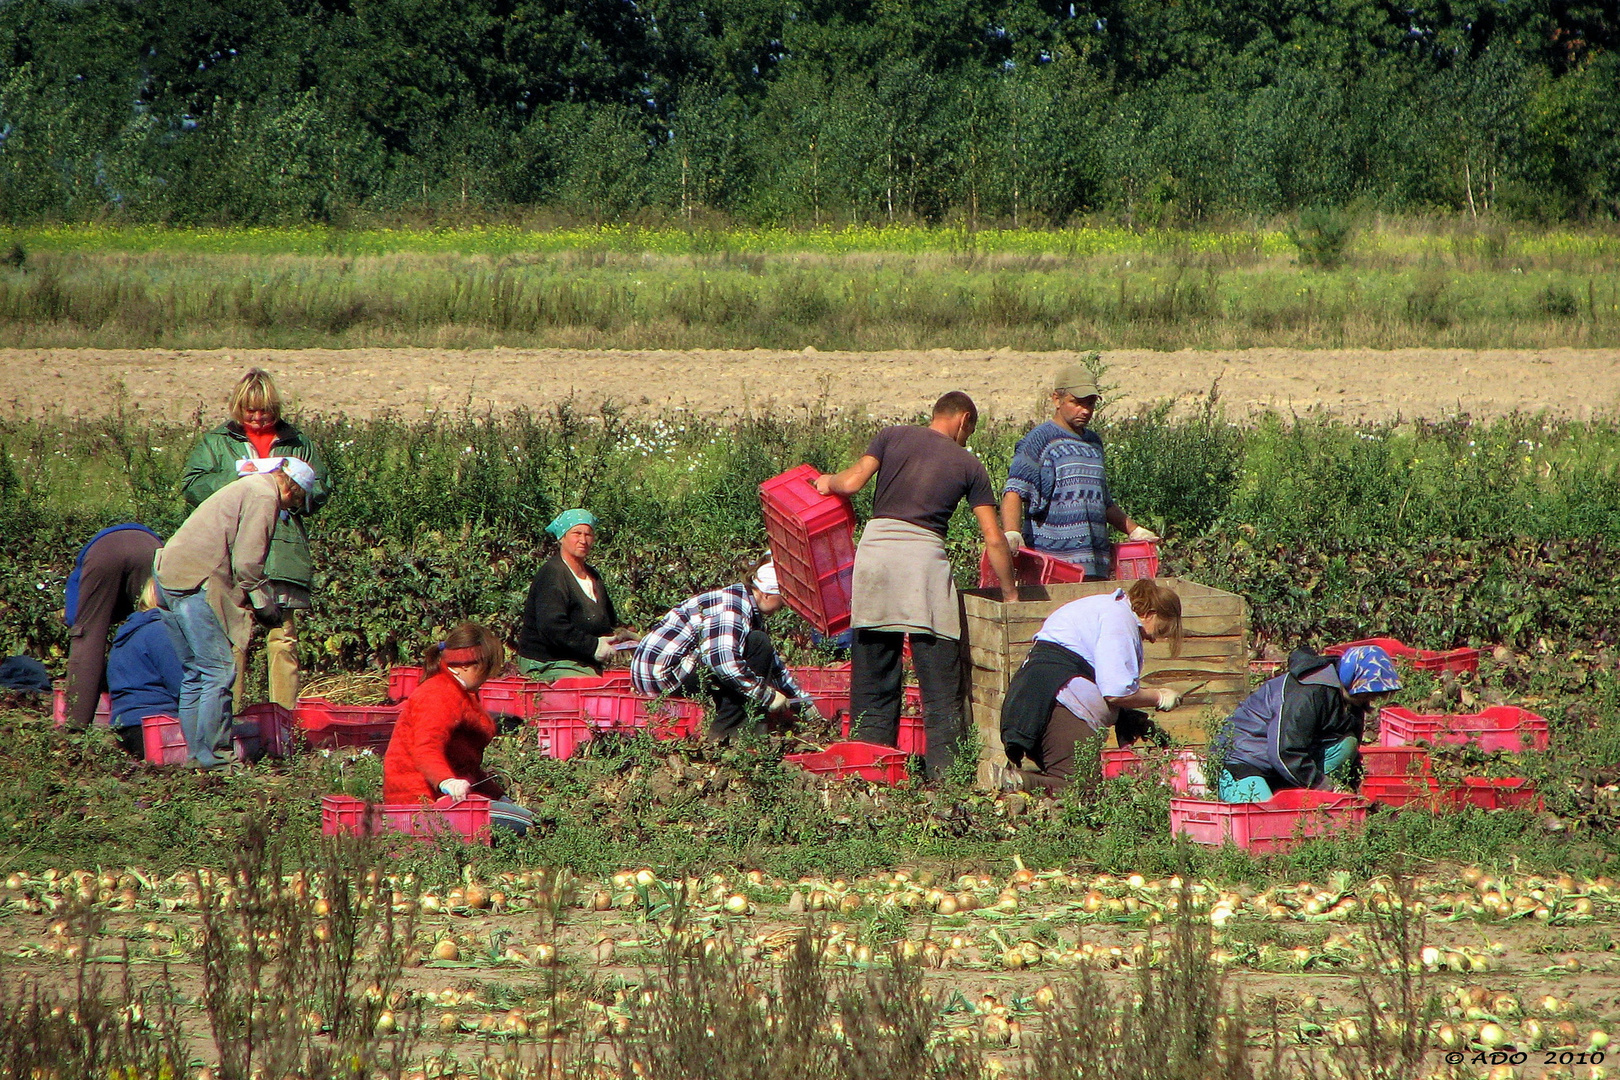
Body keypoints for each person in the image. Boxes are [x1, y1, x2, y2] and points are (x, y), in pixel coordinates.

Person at [813, 391, 1017, 780]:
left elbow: (852, 482)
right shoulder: (969, 464)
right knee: (940, 683)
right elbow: (994, 539)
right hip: (923, 565)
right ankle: (946, 778)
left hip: (874, 559)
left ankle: (868, 770)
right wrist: (1010, 594)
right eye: (969, 428)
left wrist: (826, 482)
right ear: (963, 420)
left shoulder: (891, 436)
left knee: (873, 674)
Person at [181, 368, 329, 709]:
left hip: (283, 551)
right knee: (235, 640)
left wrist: (295, 491)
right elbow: (192, 484)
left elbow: (320, 488)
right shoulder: (216, 442)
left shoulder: (299, 442)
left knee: (283, 640)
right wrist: (240, 484)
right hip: (231, 550)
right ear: (238, 407)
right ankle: (228, 721)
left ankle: (283, 721)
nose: (258, 417)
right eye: (251, 410)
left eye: (264, 410)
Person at [153, 460, 312, 769]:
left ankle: (196, 757)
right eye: (297, 500)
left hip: (168, 573)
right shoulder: (265, 495)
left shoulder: (247, 486)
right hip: (194, 581)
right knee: (219, 671)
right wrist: (265, 604)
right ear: (292, 488)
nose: (292, 507)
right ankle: (216, 760)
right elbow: (248, 563)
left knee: (196, 673)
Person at [997, 580, 1185, 791]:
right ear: (1150, 614)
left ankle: (1021, 784)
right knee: (1080, 787)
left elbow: (1102, 678)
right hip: (1058, 705)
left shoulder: (1108, 610)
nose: (1154, 640)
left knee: (1073, 780)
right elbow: (1116, 692)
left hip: (1039, 699)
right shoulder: (1119, 621)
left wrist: (1128, 717)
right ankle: (1016, 782)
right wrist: (1158, 696)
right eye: (1160, 630)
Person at [1000, 360, 1157, 579]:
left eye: (1090, 404)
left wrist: (1134, 529)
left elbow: (1102, 502)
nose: (1085, 410)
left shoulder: (1093, 443)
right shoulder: (1039, 441)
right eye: (1077, 403)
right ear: (1057, 399)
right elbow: (1014, 491)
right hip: (1054, 567)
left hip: (1094, 564)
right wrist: (1012, 533)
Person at [631, 557, 814, 741]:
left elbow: (774, 667)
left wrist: (803, 703)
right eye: (783, 599)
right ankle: (730, 734)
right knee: (756, 645)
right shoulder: (733, 607)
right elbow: (722, 661)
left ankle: (735, 729)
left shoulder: (742, 602)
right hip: (663, 675)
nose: (783, 606)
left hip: (655, 672)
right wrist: (767, 696)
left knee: (754, 648)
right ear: (767, 593)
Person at [383, 623, 537, 836]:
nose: (487, 677)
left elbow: (467, 765)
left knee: (525, 818)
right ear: (466, 665)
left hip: (448, 798)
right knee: (527, 824)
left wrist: (498, 795)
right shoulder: (437, 694)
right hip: (420, 802)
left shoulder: (461, 692)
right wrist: (447, 782)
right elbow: (426, 748)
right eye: (485, 670)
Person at [1212, 645, 1401, 803]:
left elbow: (1346, 755)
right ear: (1353, 680)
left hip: (1283, 766)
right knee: (1266, 818)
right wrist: (1327, 786)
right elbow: (1285, 752)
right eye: (1369, 694)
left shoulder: (1350, 700)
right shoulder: (1308, 692)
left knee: (1347, 744)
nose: (1371, 699)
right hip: (1245, 762)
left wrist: (1353, 789)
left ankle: (1297, 794)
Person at [62, 523, 163, 732]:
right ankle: (161, 714)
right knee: (157, 626)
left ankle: (75, 727)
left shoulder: (85, 566)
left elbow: (76, 621)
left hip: (103, 553)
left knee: (87, 638)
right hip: (151, 548)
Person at [515, 509, 636, 680]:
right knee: (595, 689)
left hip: (581, 661)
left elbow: (605, 622)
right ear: (562, 537)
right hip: (547, 662)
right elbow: (552, 626)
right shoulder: (552, 574)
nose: (583, 540)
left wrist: (621, 638)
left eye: (588, 534)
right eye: (576, 533)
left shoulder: (593, 576)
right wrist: (593, 646)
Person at [105, 579, 183, 758]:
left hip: (126, 725)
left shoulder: (131, 632)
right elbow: (183, 686)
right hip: (156, 725)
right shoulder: (161, 632)